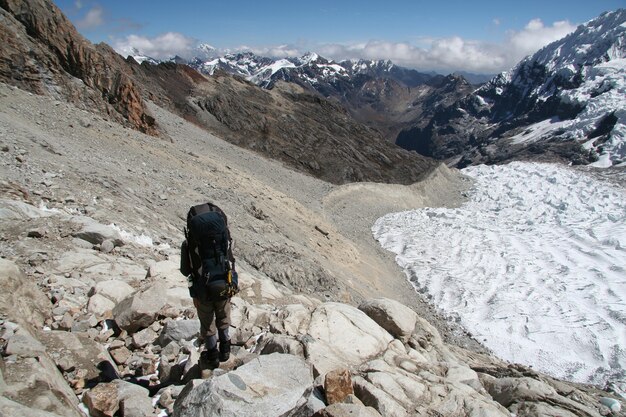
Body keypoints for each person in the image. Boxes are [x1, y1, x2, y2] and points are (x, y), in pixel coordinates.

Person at [180, 202, 238, 369]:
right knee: (223, 314)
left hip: (202, 287)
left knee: (207, 321)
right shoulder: (223, 238)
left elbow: (185, 270)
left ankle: (212, 354)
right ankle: (226, 349)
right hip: (224, 283)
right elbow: (231, 259)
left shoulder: (189, 244)